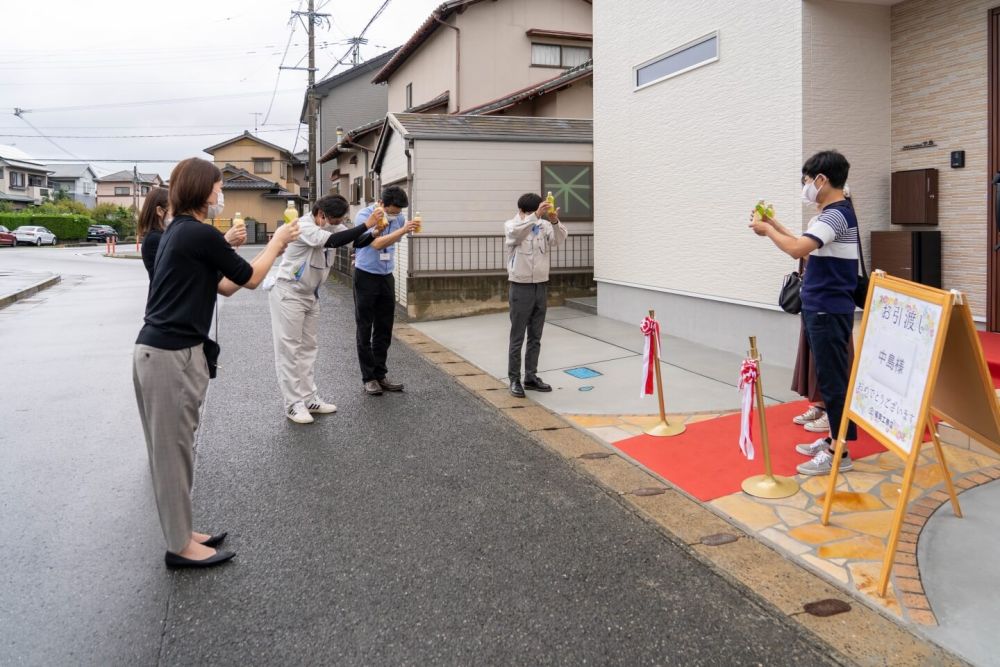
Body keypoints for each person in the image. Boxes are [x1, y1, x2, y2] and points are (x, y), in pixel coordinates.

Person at [133, 157, 299, 568]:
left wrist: (231, 251)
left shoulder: (181, 233)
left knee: (179, 449)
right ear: (202, 191)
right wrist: (277, 242)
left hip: (166, 352)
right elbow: (252, 278)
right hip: (169, 355)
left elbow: (224, 287)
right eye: (218, 187)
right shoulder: (197, 233)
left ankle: (183, 530)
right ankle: (179, 546)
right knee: (173, 453)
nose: (220, 194)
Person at [750, 150, 858, 475]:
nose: (806, 186)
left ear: (822, 180)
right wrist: (773, 223)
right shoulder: (832, 214)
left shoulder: (836, 215)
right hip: (821, 307)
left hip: (828, 309)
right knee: (829, 379)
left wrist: (768, 232)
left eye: (807, 180)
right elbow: (804, 242)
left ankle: (839, 452)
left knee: (834, 382)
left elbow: (798, 249)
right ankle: (830, 441)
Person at [269, 194, 379, 423]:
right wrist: (365, 224)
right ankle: (292, 404)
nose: (338, 224)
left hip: (310, 294)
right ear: (321, 215)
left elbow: (355, 241)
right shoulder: (303, 226)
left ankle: (309, 398)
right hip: (289, 292)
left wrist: (373, 232)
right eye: (335, 220)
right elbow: (333, 241)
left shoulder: (331, 224)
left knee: (309, 348)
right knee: (290, 350)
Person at [352, 186, 418, 396]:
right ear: (383, 203)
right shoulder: (365, 216)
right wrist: (403, 229)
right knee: (365, 326)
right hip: (366, 275)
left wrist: (399, 228)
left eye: (399, 212)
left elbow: (395, 240)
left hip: (386, 275)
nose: (397, 214)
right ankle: (368, 377)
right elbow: (377, 244)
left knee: (384, 327)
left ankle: (381, 374)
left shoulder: (397, 218)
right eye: (394, 210)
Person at [504, 193, 567, 398]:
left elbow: (558, 240)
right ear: (523, 211)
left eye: (537, 211)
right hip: (520, 286)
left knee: (536, 336)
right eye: (532, 212)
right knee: (517, 336)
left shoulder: (543, 224)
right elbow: (516, 235)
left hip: (540, 285)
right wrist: (534, 218)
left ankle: (530, 376)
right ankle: (514, 378)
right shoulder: (511, 225)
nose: (536, 215)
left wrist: (554, 221)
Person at [138, 186, 246, 281]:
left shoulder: (167, 235)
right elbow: (190, 271)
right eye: (174, 209)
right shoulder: (155, 239)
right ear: (160, 211)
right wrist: (224, 242)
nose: (178, 213)